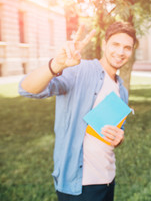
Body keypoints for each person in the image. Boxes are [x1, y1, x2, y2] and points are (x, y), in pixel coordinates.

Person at [18, 21, 137, 201]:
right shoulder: (80, 69)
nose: (121, 52)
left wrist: (119, 138)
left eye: (127, 48)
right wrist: (56, 65)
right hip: (78, 185)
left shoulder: (122, 90)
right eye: (116, 44)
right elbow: (26, 89)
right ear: (104, 44)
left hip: (107, 180)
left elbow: (117, 134)